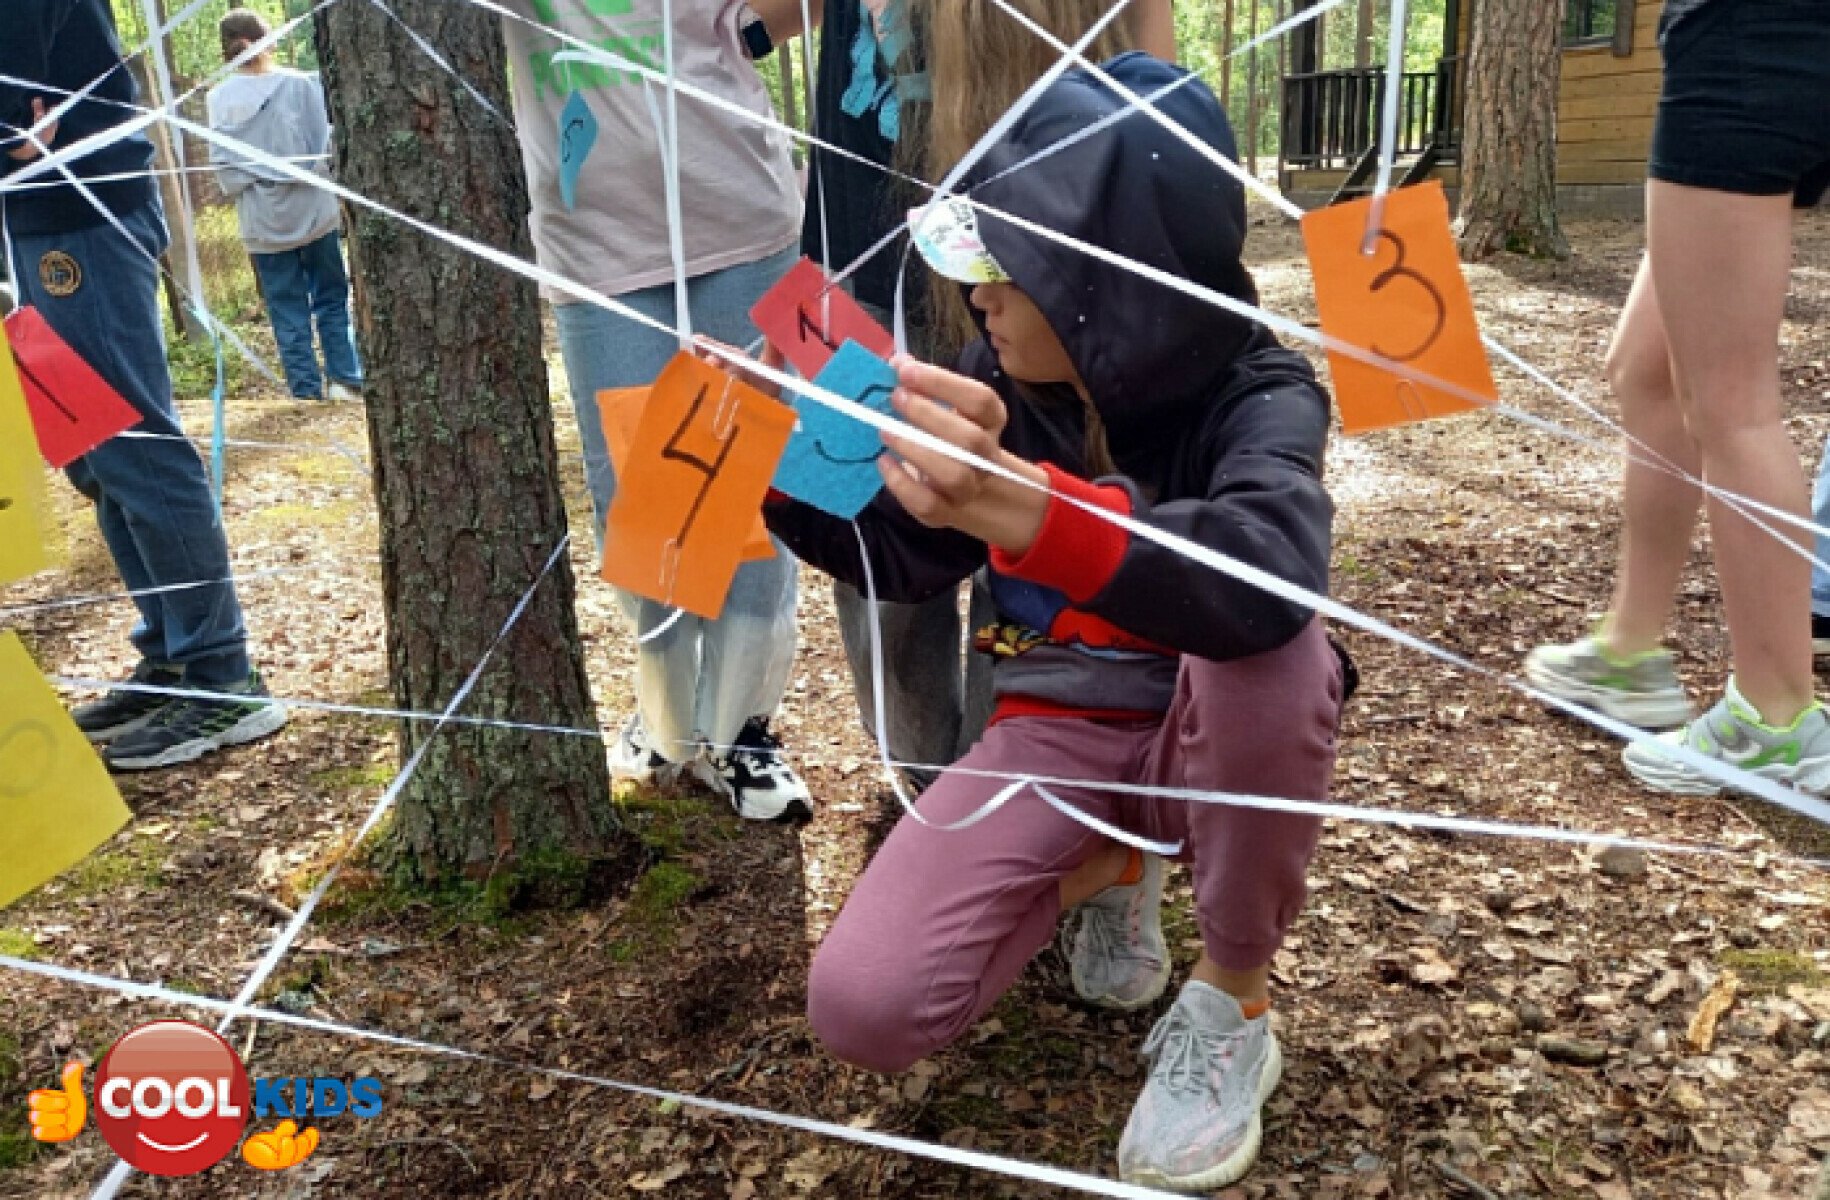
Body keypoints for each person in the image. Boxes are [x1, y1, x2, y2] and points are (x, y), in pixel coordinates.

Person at [763, 55, 1344, 1190]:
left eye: (1002, 261)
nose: (975, 291)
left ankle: (1233, 998)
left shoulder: (1261, 390)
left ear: (1100, 271)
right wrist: (794, 460)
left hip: (1209, 737)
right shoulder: (1000, 375)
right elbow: (909, 562)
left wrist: (1036, 509)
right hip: (1056, 729)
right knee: (864, 1006)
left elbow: (1270, 571)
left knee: (1273, 655)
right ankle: (1114, 864)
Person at [745, 0, 1175, 790]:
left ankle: (1009, 775)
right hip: (860, 265)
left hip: (1027, 253)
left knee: (1021, 530)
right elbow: (750, 28)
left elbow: (1149, 67)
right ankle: (925, 779)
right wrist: (768, 455)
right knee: (880, 536)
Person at [499, 0, 812, 821]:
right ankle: (670, 721)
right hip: (597, 250)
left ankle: (742, 730)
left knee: (748, 485)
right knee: (640, 500)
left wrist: (748, 29)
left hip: (746, 222)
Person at [1524, 0, 1830, 795]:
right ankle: (1629, 654)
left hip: (1748, 37)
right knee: (1646, 366)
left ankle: (1776, 720)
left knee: (1731, 404)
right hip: (1783, 41)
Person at [1, 0, 287, 772]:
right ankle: (172, 657)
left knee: (135, 446)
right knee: (95, 456)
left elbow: (16, 105)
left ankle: (223, 678)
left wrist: (10, 128)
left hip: (83, 212)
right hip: (39, 216)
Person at [207, 9, 362, 405]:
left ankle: (305, 391)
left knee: (285, 306)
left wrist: (261, 179)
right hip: (314, 211)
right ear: (264, 40)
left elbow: (226, 170)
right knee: (331, 297)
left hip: (263, 220)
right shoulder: (300, 85)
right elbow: (323, 144)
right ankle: (344, 379)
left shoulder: (218, 98)